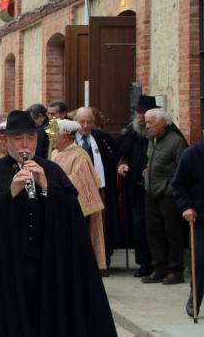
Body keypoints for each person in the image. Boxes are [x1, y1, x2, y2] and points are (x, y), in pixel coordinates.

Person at [0, 110, 117, 336]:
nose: (25, 144)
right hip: (7, 268)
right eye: (18, 138)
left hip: (48, 264)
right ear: (6, 140)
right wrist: (10, 193)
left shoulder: (52, 170)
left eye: (31, 138)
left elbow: (72, 214)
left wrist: (47, 188)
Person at [50, 119, 107, 270]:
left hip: (72, 211)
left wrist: (53, 185)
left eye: (54, 134)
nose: (51, 137)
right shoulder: (54, 153)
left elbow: (81, 184)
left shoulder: (79, 155)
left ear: (64, 136)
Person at [142, 108, 188, 285]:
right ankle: (158, 268)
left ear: (163, 123)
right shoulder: (152, 139)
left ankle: (175, 270)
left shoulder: (176, 142)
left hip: (168, 194)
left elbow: (181, 169)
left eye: (150, 122)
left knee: (172, 233)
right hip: (151, 191)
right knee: (154, 231)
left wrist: (169, 187)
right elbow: (151, 160)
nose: (146, 126)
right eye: (146, 122)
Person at [116, 95, 157, 277]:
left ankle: (159, 263)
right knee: (138, 225)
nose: (140, 117)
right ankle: (144, 263)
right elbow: (123, 152)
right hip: (136, 188)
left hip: (156, 189)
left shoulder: (164, 131)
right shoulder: (132, 131)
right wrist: (122, 164)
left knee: (154, 227)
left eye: (144, 114)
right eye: (139, 113)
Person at [74, 106, 119, 267]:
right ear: (75, 122)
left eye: (89, 122)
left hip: (100, 189)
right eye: (82, 122)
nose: (85, 126)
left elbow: (113, 159)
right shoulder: (69, 139)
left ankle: (102, 260)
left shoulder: (101, 138)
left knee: (102, 225)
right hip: (77, 191)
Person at [172, 137, 204, 317]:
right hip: (200, 218)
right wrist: (186, 206)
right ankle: (195, 297)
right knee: (200, 261)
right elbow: (178, 185)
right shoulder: (192, 154)